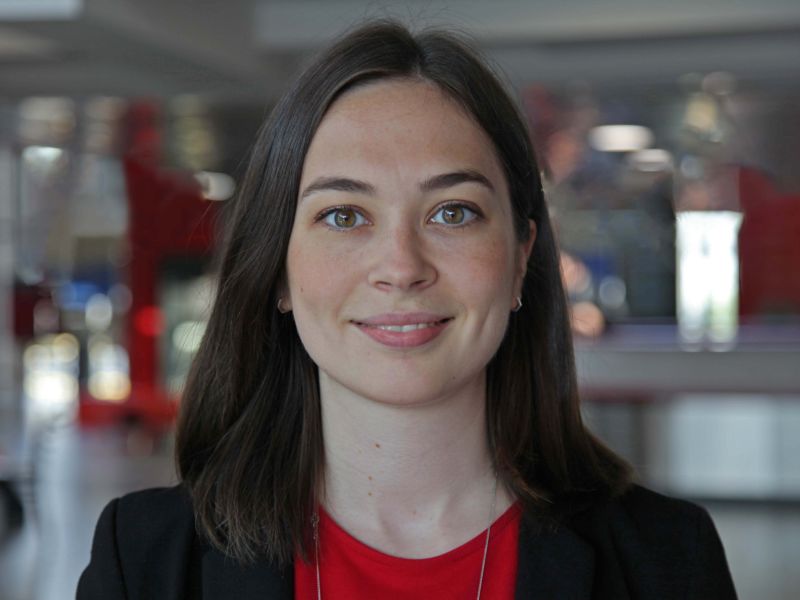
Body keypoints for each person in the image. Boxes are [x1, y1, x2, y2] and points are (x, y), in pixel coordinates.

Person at [77, 20, 737, 599]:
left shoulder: (666, 561)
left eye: (453, 213)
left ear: (520, 259)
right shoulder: (146, 561)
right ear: (278, 268)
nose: (401, 266)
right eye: (344, 215)